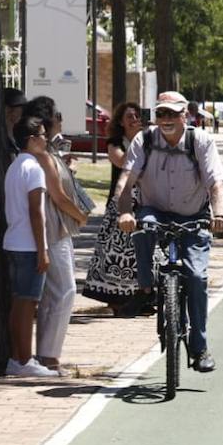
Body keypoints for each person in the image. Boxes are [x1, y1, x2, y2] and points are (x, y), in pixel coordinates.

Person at [116, 91, 223, 373]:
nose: (166, 119)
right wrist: (125, 212)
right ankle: (145, 287)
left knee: (197, 276)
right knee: (141, 230)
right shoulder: (145, 140)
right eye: (160, 114)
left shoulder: (199, 141)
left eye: (172, 114)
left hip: (193, 214)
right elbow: (125, 182)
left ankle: (200, 347)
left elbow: (216, 184)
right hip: (154, 207)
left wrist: (222, 214)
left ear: (185, 116)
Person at [22, 97, 90, 373]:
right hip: (54, 226)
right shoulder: (43, 156)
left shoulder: (50, 152)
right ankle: (49, 354)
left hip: (57, 227)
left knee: (56, 292)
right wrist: (80, 214)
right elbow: (58, 196)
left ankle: (49, 352)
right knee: (63, 290)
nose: (60, 121)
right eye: (57, 117)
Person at [81, 102, 154, 316]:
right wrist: (139, 141)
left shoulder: (149, 141)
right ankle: (117, 300)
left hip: (144, 200)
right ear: (120, 122)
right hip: (120, 203)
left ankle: (144, 296)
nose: (134, 119)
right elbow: (124, 162)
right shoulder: (115, 143)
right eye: (129, 116)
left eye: (137, 116)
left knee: (141, 250)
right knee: (116, 252)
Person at [1, 116, 58, 377]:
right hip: (28, 244)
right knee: (27, 304)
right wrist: (42, 249)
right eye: (43, 135)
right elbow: (37, 212)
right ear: (32, 138)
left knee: (18, 303)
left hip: (13, 241)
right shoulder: (33, 168)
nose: (46, 139)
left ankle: (18, 356)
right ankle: (24, 360)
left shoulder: (15, 166)